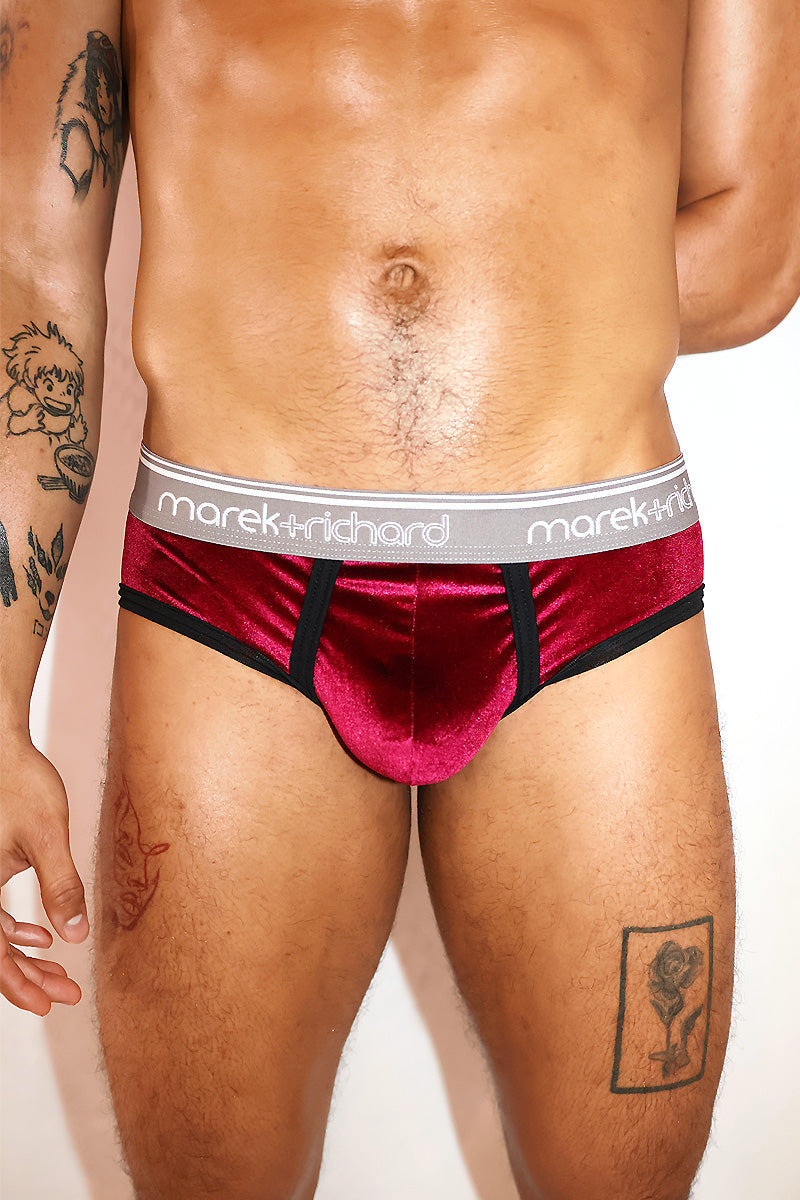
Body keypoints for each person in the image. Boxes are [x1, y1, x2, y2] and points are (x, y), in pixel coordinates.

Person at [1, 2, 798, 1198]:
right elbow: (30, 274)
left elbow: (752, 247)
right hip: (231, 582)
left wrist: (460, 288)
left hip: (588, 576)